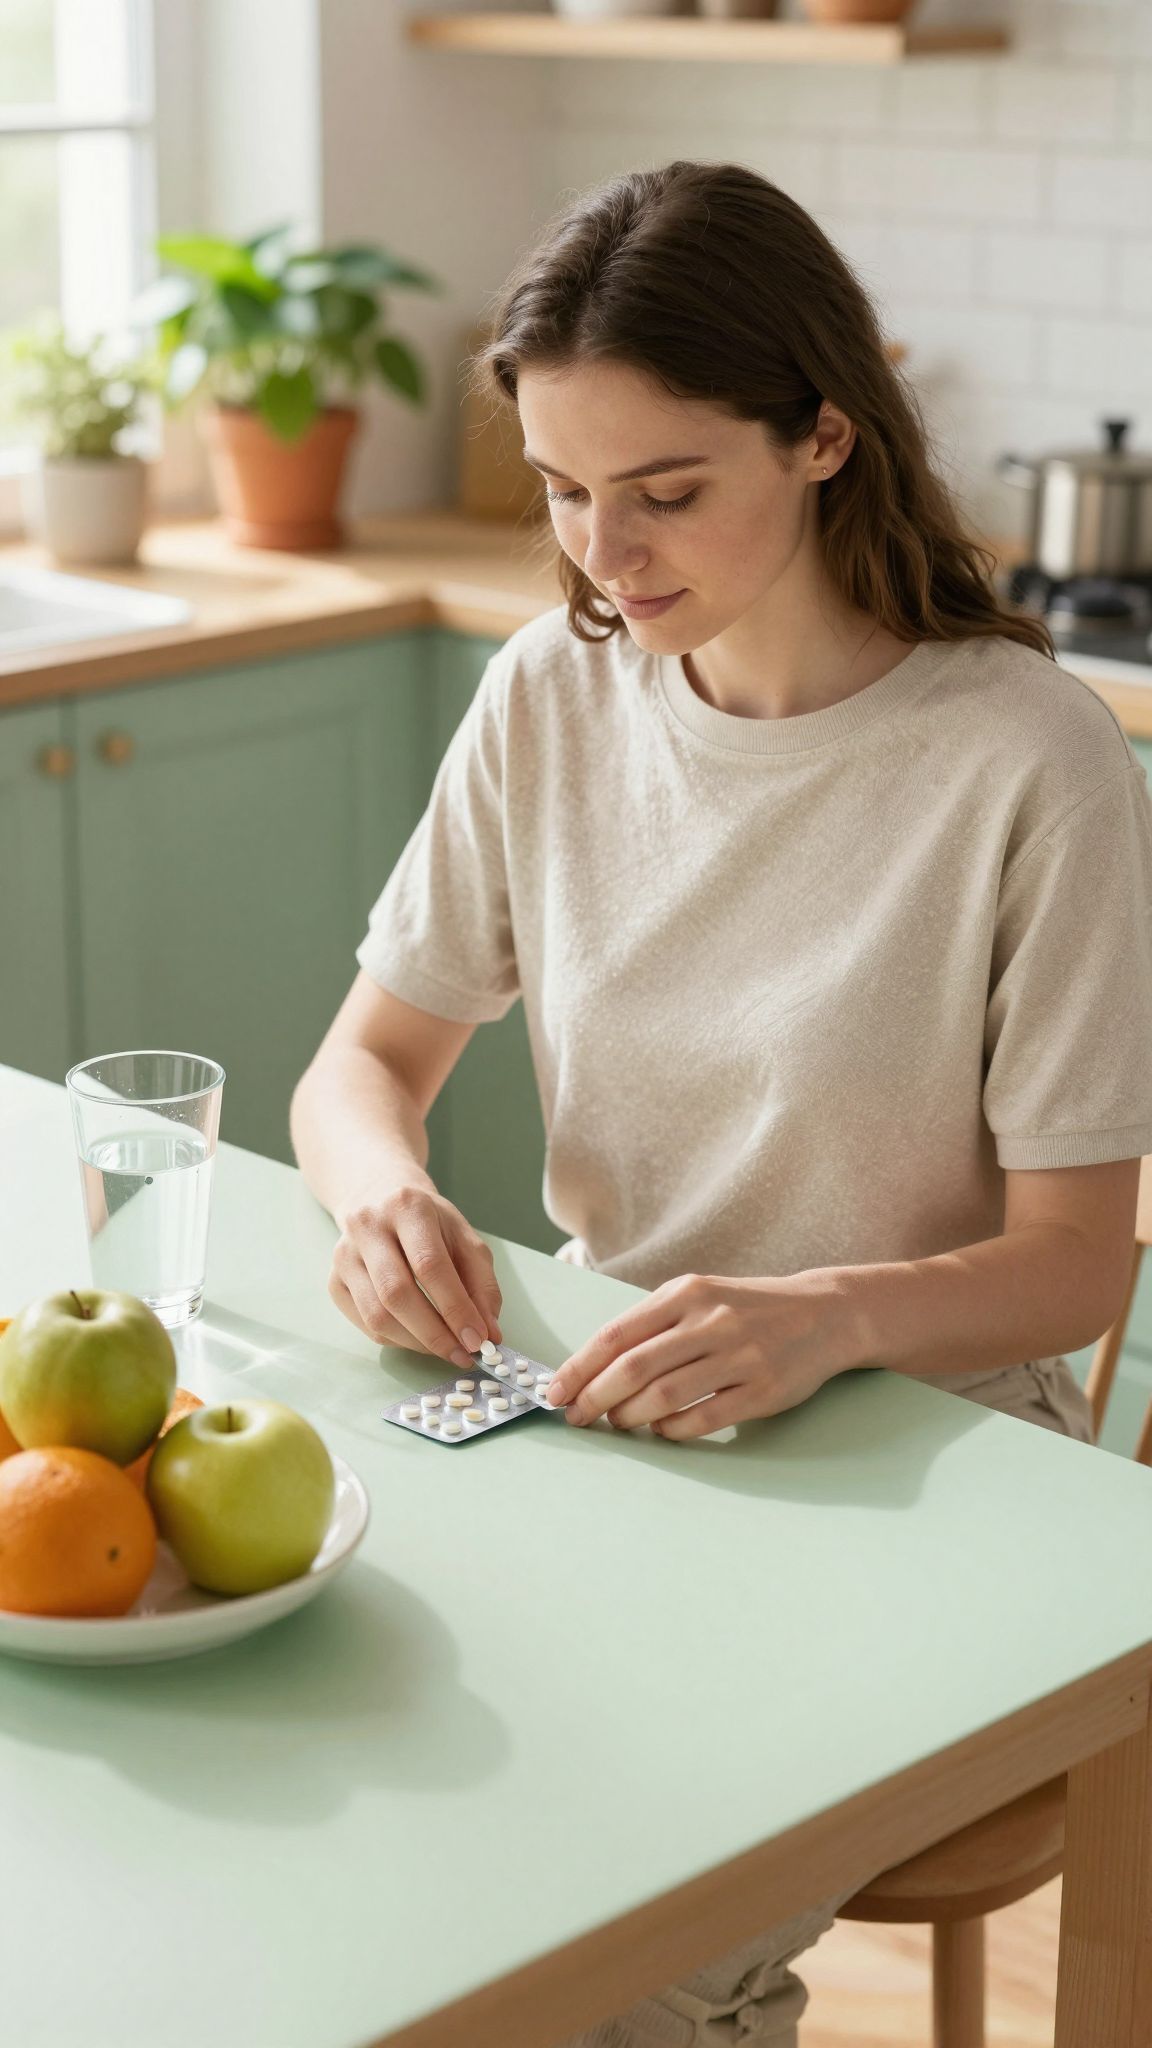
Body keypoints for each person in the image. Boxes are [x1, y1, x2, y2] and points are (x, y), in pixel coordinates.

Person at [289, 161, 1152, 2046]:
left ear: (826, 432)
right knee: (335, 1856)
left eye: (665, 491)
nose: (606, 550)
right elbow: (361, 1069)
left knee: (596, 1968)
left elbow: (1076, 1268)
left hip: (931, 1465)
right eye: (563, 491)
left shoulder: (1033, 764)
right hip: (599, 1416)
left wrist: (826, 1316)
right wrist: (379, 1201)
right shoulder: (548, 698)